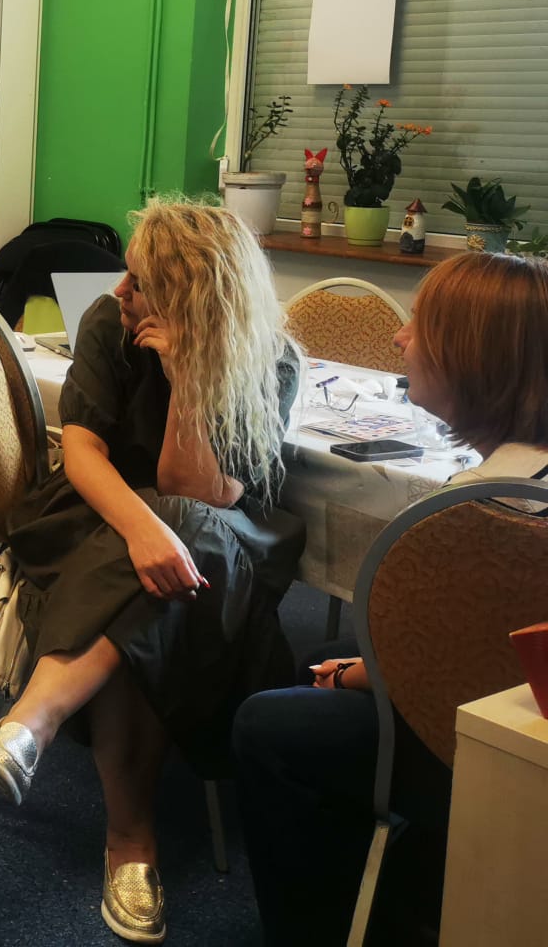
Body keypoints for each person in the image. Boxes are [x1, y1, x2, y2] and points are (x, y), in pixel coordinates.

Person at [0, 199, 304, 944]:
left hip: (212, 533)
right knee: (152, 588)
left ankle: (37, 729)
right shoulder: (107, 325)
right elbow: (83, 453)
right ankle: (129, 841)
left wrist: (187, 375)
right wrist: (144, 527)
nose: (119, 292)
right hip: (96, 514)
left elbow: (200, 491)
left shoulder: (270, 359)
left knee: (172, 557)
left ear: (192, 299)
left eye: (141, 282)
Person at [232, 250, 548, 947]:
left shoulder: (483, 514)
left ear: (472, 357)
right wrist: (362, 667)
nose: (399, 338)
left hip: (487, 744)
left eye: (418, 326)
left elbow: (462, 666)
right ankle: (403, 887)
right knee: (318, 655)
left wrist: (362, 676)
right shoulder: (527, 475)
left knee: (266, 724)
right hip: (515, 701)